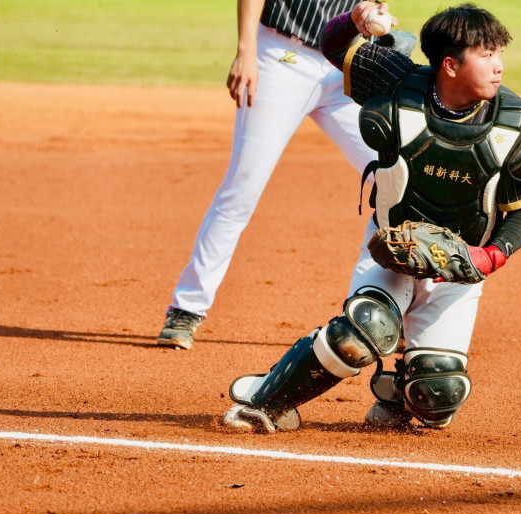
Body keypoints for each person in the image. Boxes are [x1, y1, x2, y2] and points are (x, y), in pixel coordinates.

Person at [221, 2, 521, 432]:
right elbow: (333, 45)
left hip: (458, 268)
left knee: (439, 394)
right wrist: (353, 19)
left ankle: (399, 393)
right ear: (449, 65)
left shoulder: (510, 126)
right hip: (390, 251)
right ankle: (268, 400)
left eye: (499, 54)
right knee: (364, 331)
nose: (499, 66)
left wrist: (491, 255)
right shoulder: (396, 80)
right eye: (486, 55)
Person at [158, 0, 414, 349]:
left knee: (398, 183)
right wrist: (246, 51)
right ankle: (187, 307)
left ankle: (392, 312)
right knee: (242, 189)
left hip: (345, 63)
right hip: (281, 56)